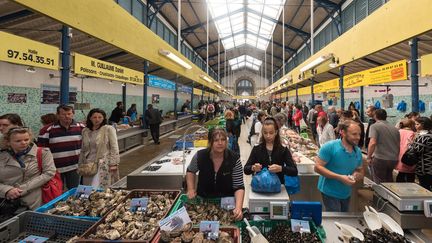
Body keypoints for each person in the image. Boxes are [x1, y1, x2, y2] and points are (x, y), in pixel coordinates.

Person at [186, 128, 244, 220]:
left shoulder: (234, 159)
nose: (220, 143)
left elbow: (239, 186)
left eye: (223, 140)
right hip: (203, 201)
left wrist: (238, 207)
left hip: (226, 203)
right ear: (210, 142)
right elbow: (190, 171)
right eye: (216, 140)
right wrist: (191, 188)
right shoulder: (200, 156)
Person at [0, 127, 56, 210]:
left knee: (34, 220)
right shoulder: (2, 157)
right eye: (18, 141)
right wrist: (7, 190)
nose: (23, 143)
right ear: (8, 142)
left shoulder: (42, 153)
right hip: (7, 201)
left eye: (26, 140)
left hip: (34, 198)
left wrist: (22, 189)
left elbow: (49, 172)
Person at [314, 120, 364, 212]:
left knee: (344, 217)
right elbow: (317, 167)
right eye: (354, 134)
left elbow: (360, 170)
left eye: (359, 134)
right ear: (343, 132)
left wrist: (356, 175)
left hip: (346, 193)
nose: (358, 137)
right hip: (330, 192)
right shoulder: (330, 147)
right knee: (336, 218)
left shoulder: (357, 151)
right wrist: (340, 177)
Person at [38, 105, 85, 189]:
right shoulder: (46, 130)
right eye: (63, 114)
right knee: (56, 193)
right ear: (57, 115)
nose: (66, 116)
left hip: (75, 167)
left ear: (73, 114)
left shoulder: (81, 128)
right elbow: (41, 151)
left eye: (69, 113)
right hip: (55, 169)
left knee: (74, 191)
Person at [244, 117, 298, 185]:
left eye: (271, 133)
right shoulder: (257, 148)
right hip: (261, 186)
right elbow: (246, 169)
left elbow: (294, 171)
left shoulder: (283, 149)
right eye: (265, 133)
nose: (268, 136)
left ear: (276, 132)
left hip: (278, 186)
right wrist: (253, 168)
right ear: (262, 133)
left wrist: (281, 169)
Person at [78, 109, 120, 188]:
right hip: (88, 165)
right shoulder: (85, 131)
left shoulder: (108, 129)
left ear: (104, 118)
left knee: (99, 187)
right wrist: (80, 163)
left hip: (103, 164)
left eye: (100, 117)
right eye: (94, 117)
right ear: (90, 118)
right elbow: (83, 149)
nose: (97, 119)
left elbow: (114, 147)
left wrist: (114, 163)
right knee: (88, 187)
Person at [367, 109, 400, 183]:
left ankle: (379, 194)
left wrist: (368, 157)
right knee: (389, 179)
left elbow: (372, 142)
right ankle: (389, 194)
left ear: (375, 116)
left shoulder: (375, 126)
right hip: (393, 159)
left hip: (380, 158)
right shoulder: (394, 128)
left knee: (379, 181)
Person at [404, 117, 432, 190]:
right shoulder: (429, 135)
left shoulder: (423, 136)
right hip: (429, 168)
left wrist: (411, 145)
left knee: (425, 188)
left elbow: (416, 150)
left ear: (423, 125)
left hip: (425, 168)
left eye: (417, 124)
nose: (415, 126)